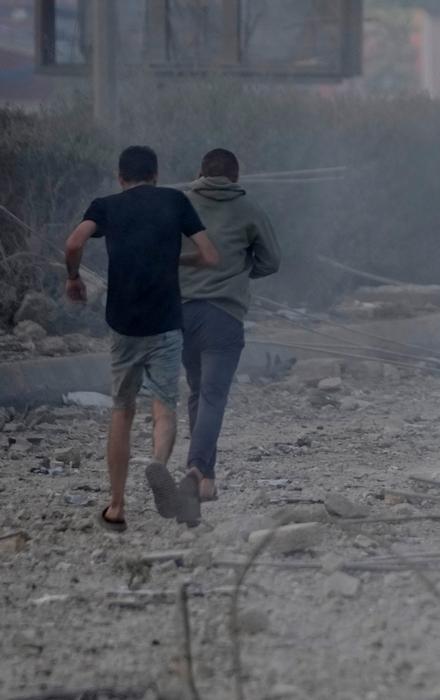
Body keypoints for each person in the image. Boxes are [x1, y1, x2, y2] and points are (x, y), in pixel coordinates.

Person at [63, 145, 219, 531]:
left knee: (122, 408)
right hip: (165, 322)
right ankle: (158, 464)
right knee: (164, 405)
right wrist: (177, 259)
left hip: (123, 325)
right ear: (156, 174)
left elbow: (74, 243)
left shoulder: (106, 205)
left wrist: (73, 278)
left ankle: (116, 507)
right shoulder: (174, 200)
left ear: (121, 177)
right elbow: (210, 255)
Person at [178, 148, 281, 512]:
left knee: (196, 391)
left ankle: (206, 480)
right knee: (213, 395)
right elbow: (272, 260)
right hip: (223, 314)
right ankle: (197, 469)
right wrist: (240, 272)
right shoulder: (248, 208)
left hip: (182, 311)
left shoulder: (181, 203)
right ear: (236, 176)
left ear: (200, 171)